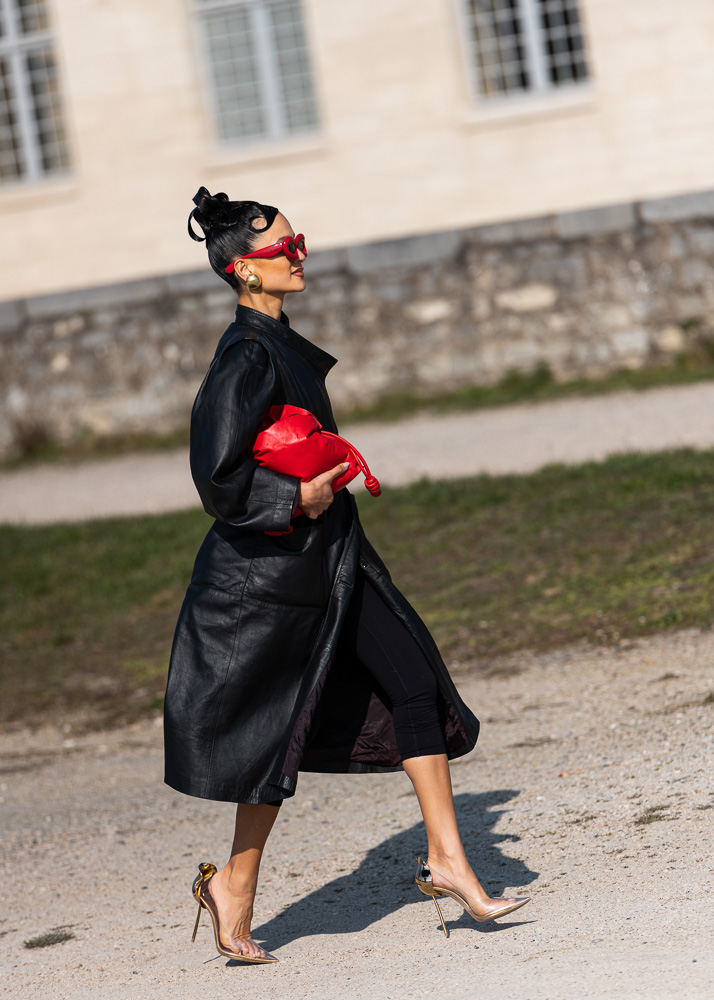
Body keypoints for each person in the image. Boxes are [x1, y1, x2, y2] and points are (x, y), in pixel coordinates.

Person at [163, 187, 529, 964]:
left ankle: (448, 860)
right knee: (272, 732)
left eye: (300, 241)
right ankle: (235, 885)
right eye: (283, 249)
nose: (299, 255)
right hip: (273, 576)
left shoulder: (277, 338)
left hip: (332, 557)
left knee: (413, 683)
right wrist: (295, 492)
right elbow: (215, 478)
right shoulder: (245, 354)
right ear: (245, 273)